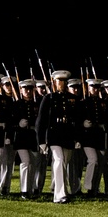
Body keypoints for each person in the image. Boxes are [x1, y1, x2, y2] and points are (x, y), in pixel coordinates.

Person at [35, 69, 79, 203]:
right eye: (59, 81)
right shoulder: (49, 98)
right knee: (59, 161)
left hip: (68, 135)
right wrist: (41, 140)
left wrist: (78, 138)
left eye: (64, 81)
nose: (62, 84)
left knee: (64, 163)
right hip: (54, 135)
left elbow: (77, 120)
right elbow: (41, 121)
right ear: (54, 82)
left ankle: (61, 190)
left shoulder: (73, 99)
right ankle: (60, 195)